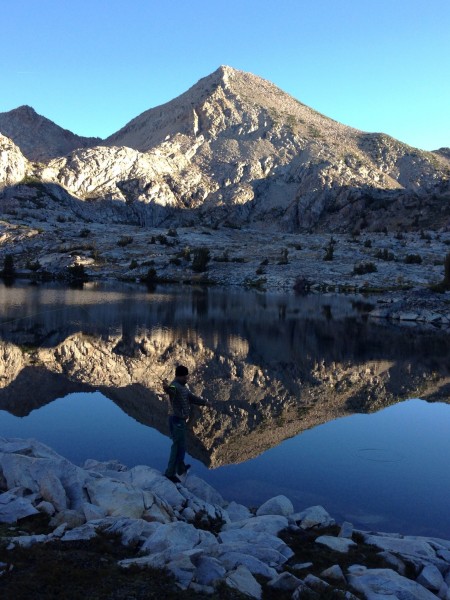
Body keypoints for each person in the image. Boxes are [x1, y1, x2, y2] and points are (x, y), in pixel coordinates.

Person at [163, 365, 210, 483]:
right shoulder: (175, 386)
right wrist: (166, 388)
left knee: (182, 446)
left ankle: (180, 469)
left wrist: (204, 402)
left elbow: (191, 398)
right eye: (185, 376)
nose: (187, 378)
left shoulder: (183, 388)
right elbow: (170, 391)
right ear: (179, 376)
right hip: (176, 420)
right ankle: (170, 473)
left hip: (181, 420)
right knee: (177, 445)